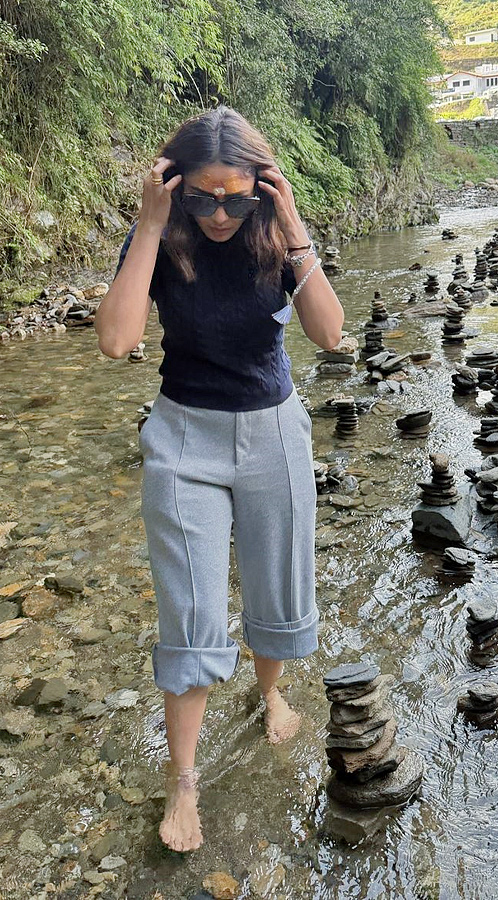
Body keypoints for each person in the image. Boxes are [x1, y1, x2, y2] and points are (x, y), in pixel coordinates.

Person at [94, 105, 344, 852]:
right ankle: (184, 779)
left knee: (275, 585)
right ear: (176, 187)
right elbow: (116, 342)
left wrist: (292, 220)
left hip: (272, 430)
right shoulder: (164, 234)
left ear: (261, 190)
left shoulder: (273, 231)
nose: (220, 213)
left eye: (238, 197)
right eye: (203, 196)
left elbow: (330, 333)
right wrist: (148, 223)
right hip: (182, 437)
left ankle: (270, 695)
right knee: (191, 608)